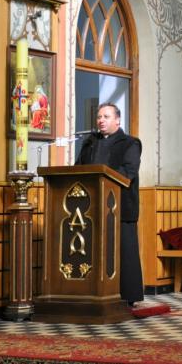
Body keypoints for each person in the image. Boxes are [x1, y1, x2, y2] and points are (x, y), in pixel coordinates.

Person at [75, 103, 144, 306]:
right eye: (99, 117)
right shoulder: (90, 142)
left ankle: (127, 296)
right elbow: (78, 168)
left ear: (117, 120)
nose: (101, 120)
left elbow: (128, 172)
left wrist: (101, 181)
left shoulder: (130, 143)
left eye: (106, 116)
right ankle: (91, 292)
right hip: (91, 208)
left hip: (120, 207)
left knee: (123, 252)